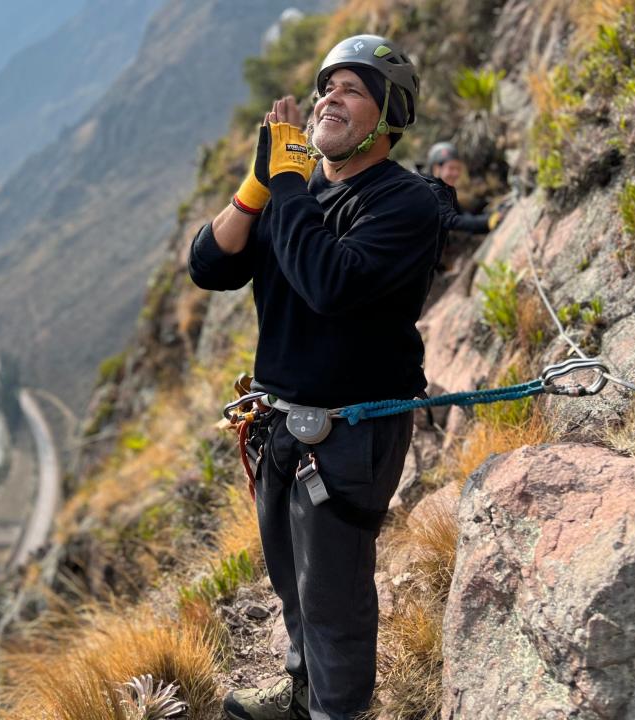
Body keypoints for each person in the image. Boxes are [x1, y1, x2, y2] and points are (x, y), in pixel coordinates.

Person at [188, 34, 441, 720]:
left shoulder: (405, 203)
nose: (330, 96)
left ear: (388, 115)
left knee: (333, 593)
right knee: (291, 582)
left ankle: (339, 712)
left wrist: (291, 184)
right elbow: (209, 267)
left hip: (351, 430)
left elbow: (330, 283)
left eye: (352, 89)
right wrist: (253, 189)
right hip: (283, 420)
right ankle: (302, 696)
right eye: (327, 86)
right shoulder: (287, 196)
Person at [421, 141, 501, 234]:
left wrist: (487, 216)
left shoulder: (445, 189)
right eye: (451, 168)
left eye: (458, 168)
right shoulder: (431, 191)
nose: (456, 173)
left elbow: (461, 215)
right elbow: (452, 221)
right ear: (436, 168)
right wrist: (486, 221)